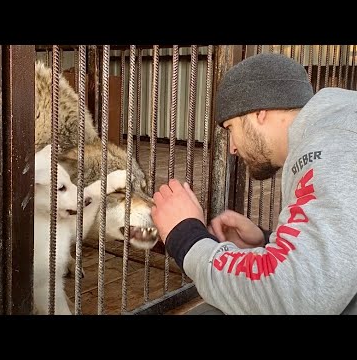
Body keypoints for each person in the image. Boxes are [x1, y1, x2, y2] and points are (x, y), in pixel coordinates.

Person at [151, 52, 357, 315]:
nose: (233, 147)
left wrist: (186, 237)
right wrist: (266, 241)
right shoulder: (335, 129)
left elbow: (294, 295)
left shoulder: (334, 144)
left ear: (259, 112)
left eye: (230, 128)